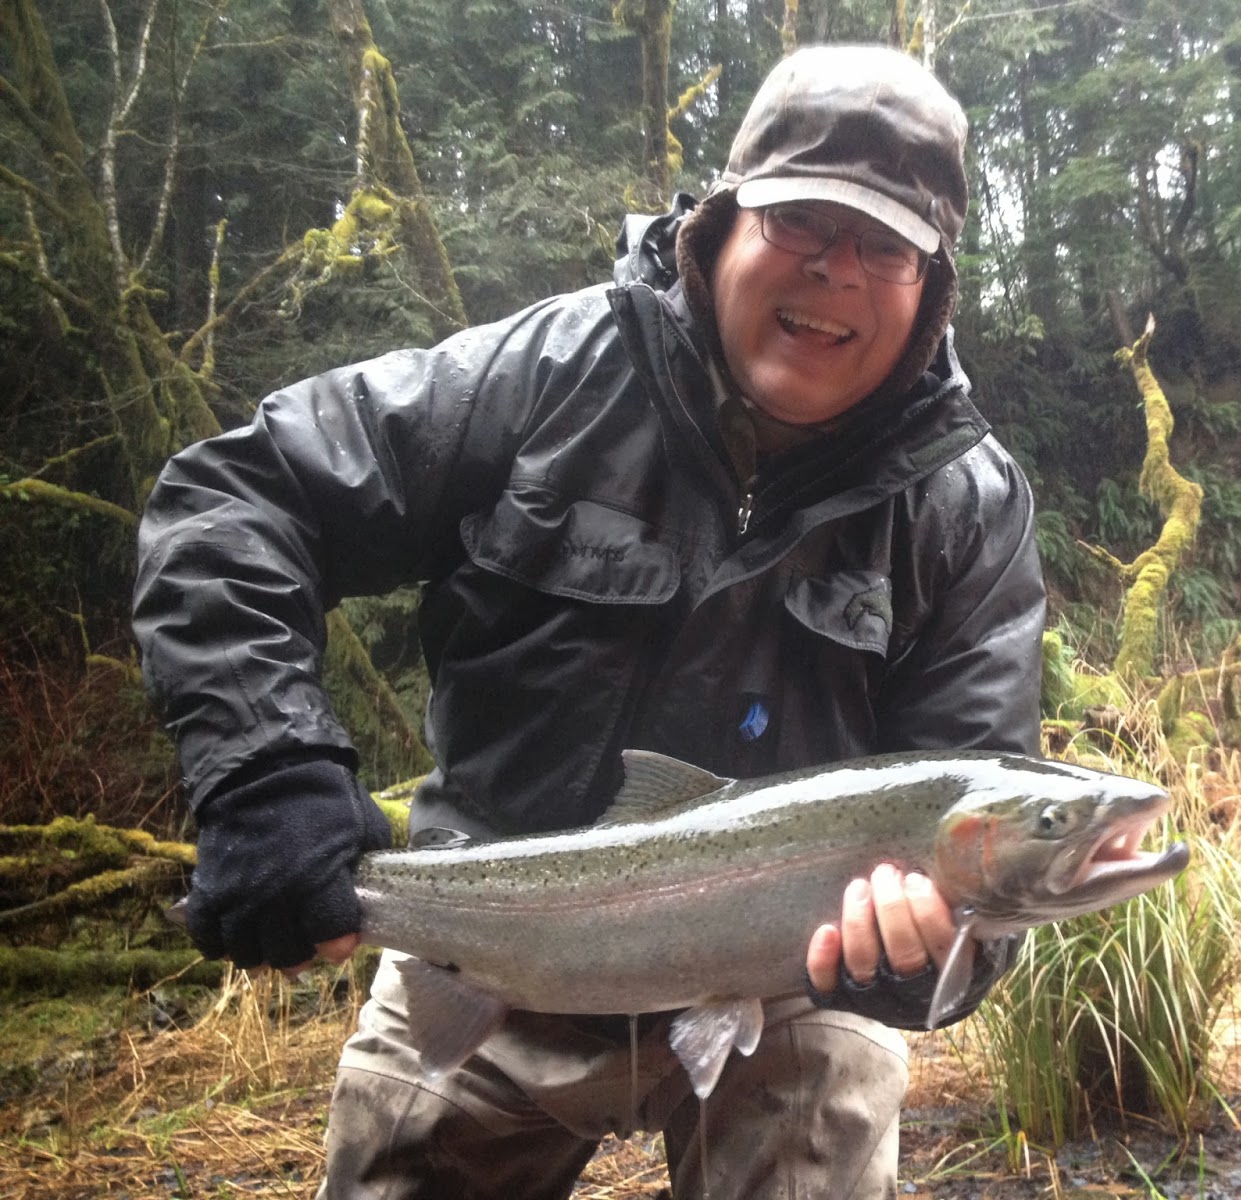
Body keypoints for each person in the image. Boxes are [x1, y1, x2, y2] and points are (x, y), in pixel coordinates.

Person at [133, 44, 1044, 1199]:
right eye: (803, 223)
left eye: (884, 245)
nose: (837, 272)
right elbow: (239, 500)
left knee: (836, 1062)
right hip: (487, 949)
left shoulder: (966, 508)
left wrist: (915, 962)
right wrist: (266, 770)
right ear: (722, 224)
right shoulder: (545, 378)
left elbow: (992, 831)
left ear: (931, 285)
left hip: (787, 991)